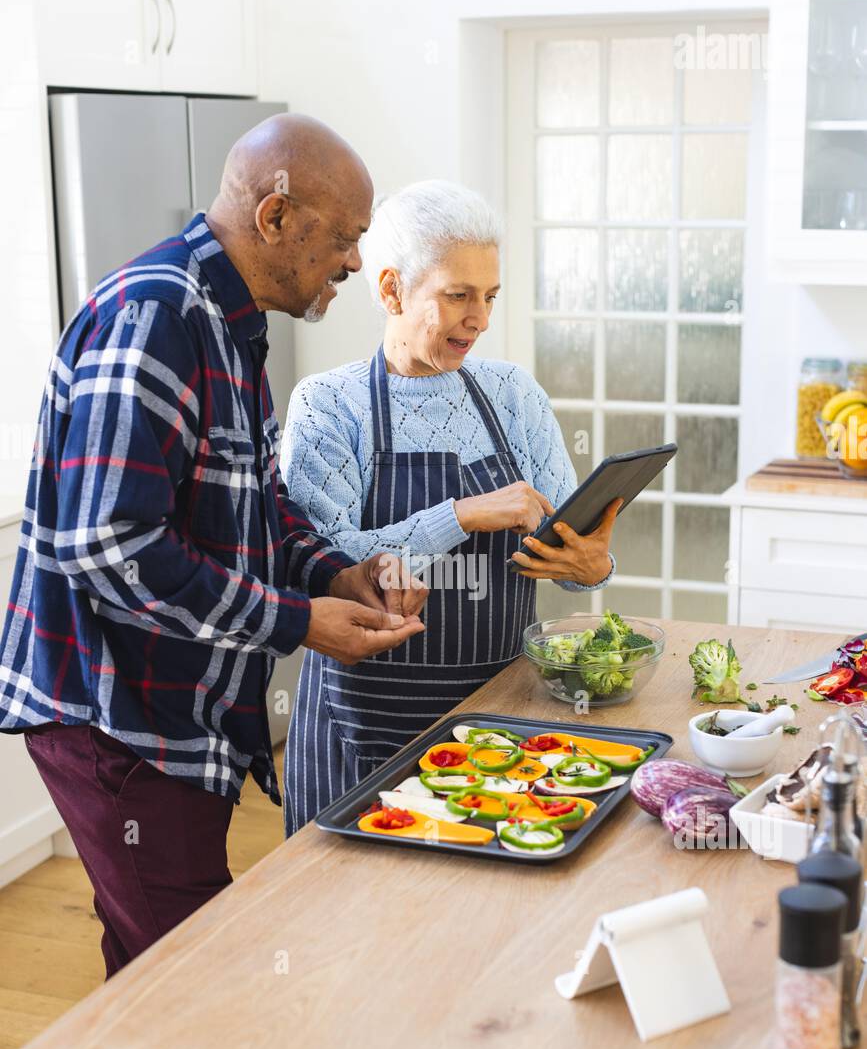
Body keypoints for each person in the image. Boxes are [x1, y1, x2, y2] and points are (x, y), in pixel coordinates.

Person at [0, 114, 426, 978]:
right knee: (192, 976)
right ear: (275, 217)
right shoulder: (154, 315)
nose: (352, 261)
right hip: (113, 714)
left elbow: (251, 499)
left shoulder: (228, 320)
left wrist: (331, 571)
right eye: (343, 238)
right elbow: (110, 544)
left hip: (166, 709)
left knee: (154, 965)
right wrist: (295, 621)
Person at [279, 179, 620, 836]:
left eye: (489, 296)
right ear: (390, 290)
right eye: (458, 295)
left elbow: (567, 539)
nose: (480, 319)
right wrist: (461, 515)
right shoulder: (329, 404)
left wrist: (590, 565)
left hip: (497, 716)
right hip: (363, 727)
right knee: (345, 922)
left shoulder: (512, 394)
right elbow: (322, 563)